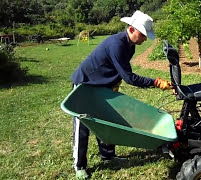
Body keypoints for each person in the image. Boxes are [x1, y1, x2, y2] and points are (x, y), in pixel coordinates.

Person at [70, 10, 171, 179]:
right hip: (85, 84)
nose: (145, 39)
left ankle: (108, 155)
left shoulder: (130, 46)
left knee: (106, 121)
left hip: (103, 85)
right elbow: (130, 77)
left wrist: (113, 83)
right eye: (143, 34)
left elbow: (116, 69)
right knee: (83, 125)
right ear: (131, 29)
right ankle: (79, 165)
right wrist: (155, 82)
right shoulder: (116, 44)